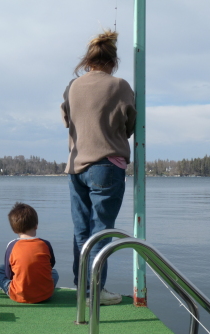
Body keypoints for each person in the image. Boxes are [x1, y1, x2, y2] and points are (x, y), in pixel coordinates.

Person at [60, 30, 136, 305]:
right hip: (107, 165)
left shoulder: (72, 86)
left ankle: (83, 289)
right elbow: (130, 125)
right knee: (101, 231)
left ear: (87, 60)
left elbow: (67, 119)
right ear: (113, 61)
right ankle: (96, 293)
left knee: (81, 232)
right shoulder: (120, 86)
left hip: (76, 166)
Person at [0, 202, 59, 303]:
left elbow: (9, 273)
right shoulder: (45, 244)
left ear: (14, 230)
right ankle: (43, 289)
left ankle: (13, 290)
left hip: (19, 295)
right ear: (36, 226)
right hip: (46, 295)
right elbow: (51, 264)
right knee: (54, 272)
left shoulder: (12, 245)